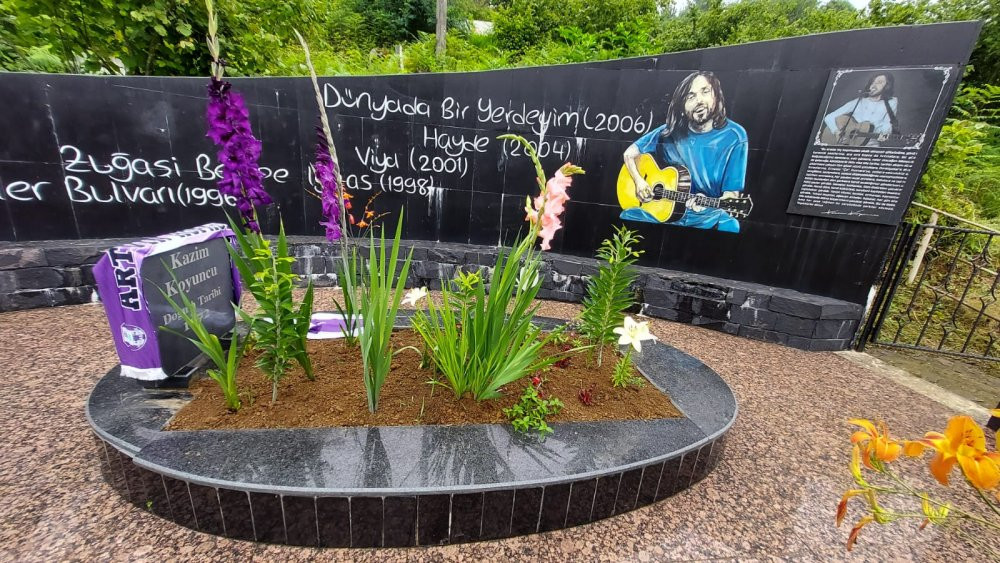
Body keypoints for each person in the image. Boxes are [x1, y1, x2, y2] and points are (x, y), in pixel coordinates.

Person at [621, 71, 748, 233]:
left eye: (705, 91)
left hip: (705, 216)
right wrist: (639, 181)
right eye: (690, 97)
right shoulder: (668, 132)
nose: (699, 101)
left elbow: (732, 196)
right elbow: (629, 154)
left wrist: (707, 203)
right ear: (681, 106)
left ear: (716, 95)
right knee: (628, 214)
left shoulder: (735, 136)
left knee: (730, 226)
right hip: (661, 214)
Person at [822, 72, 898, 146]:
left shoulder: (892, 102)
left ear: (887, 86)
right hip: (850, 143)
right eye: (872, 82)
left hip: (870, 143)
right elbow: (829, 117)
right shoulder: (859, 101)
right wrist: (836, 131)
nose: (874, 85)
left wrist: (884, 135)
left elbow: (887, 125)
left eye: (879, 82)